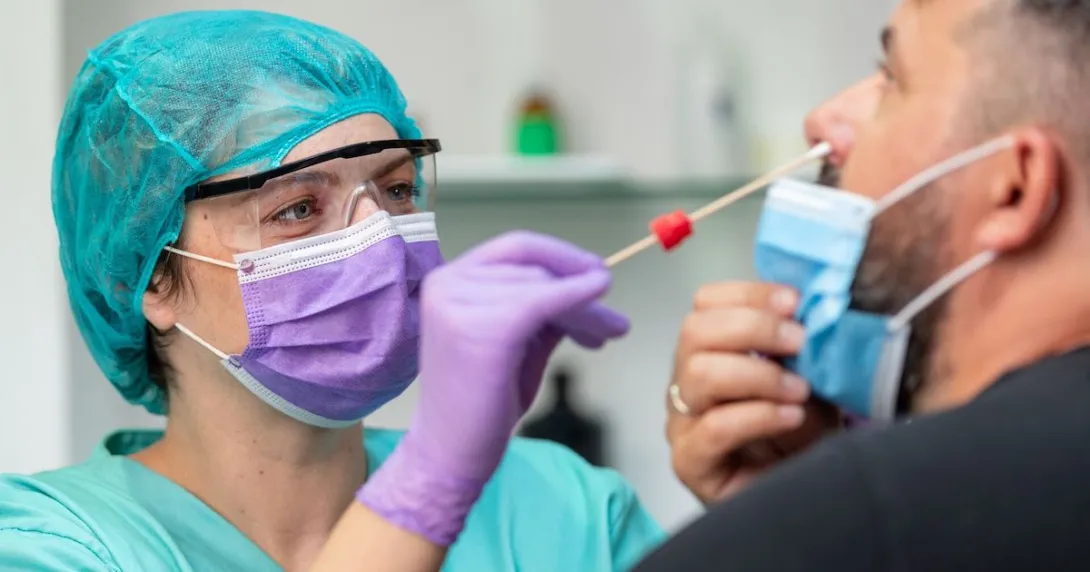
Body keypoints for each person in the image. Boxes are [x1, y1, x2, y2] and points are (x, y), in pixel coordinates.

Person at [0, 10, 665, 571]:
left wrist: (753, 504)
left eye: (398, 189)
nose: (383, 242)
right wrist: (428, 489)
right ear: (141, 278)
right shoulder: (53, 545)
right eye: (296, 209)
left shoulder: (564, 510)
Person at [636, 0, 1090, 569]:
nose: (822, 119)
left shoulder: (858, 520)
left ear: (1016, 186)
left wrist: (804, 526)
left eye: (892, 78)